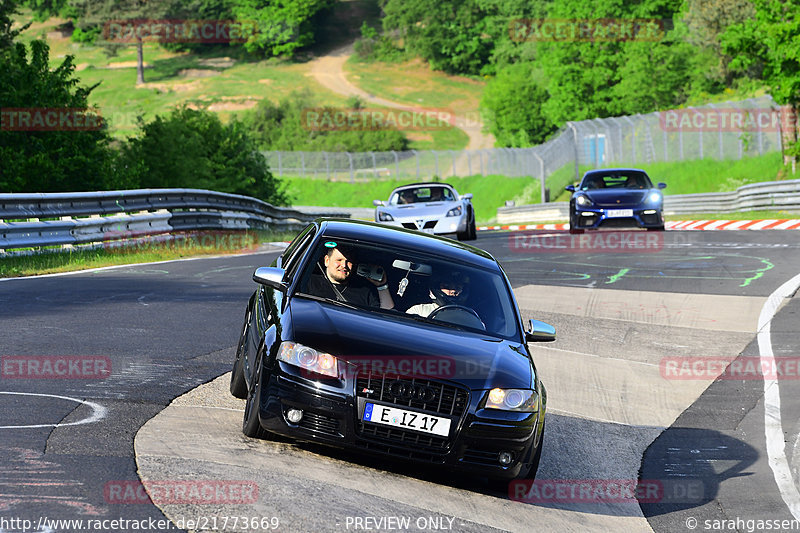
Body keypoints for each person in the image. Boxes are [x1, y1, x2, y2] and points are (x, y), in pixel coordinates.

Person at [307, 244, 394, 309]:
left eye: (348, 261)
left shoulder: (365, 291)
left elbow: (386, 317)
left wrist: (382, 286)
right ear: (326, 261)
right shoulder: (309, 282)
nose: (344, 265)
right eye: (339, 260)